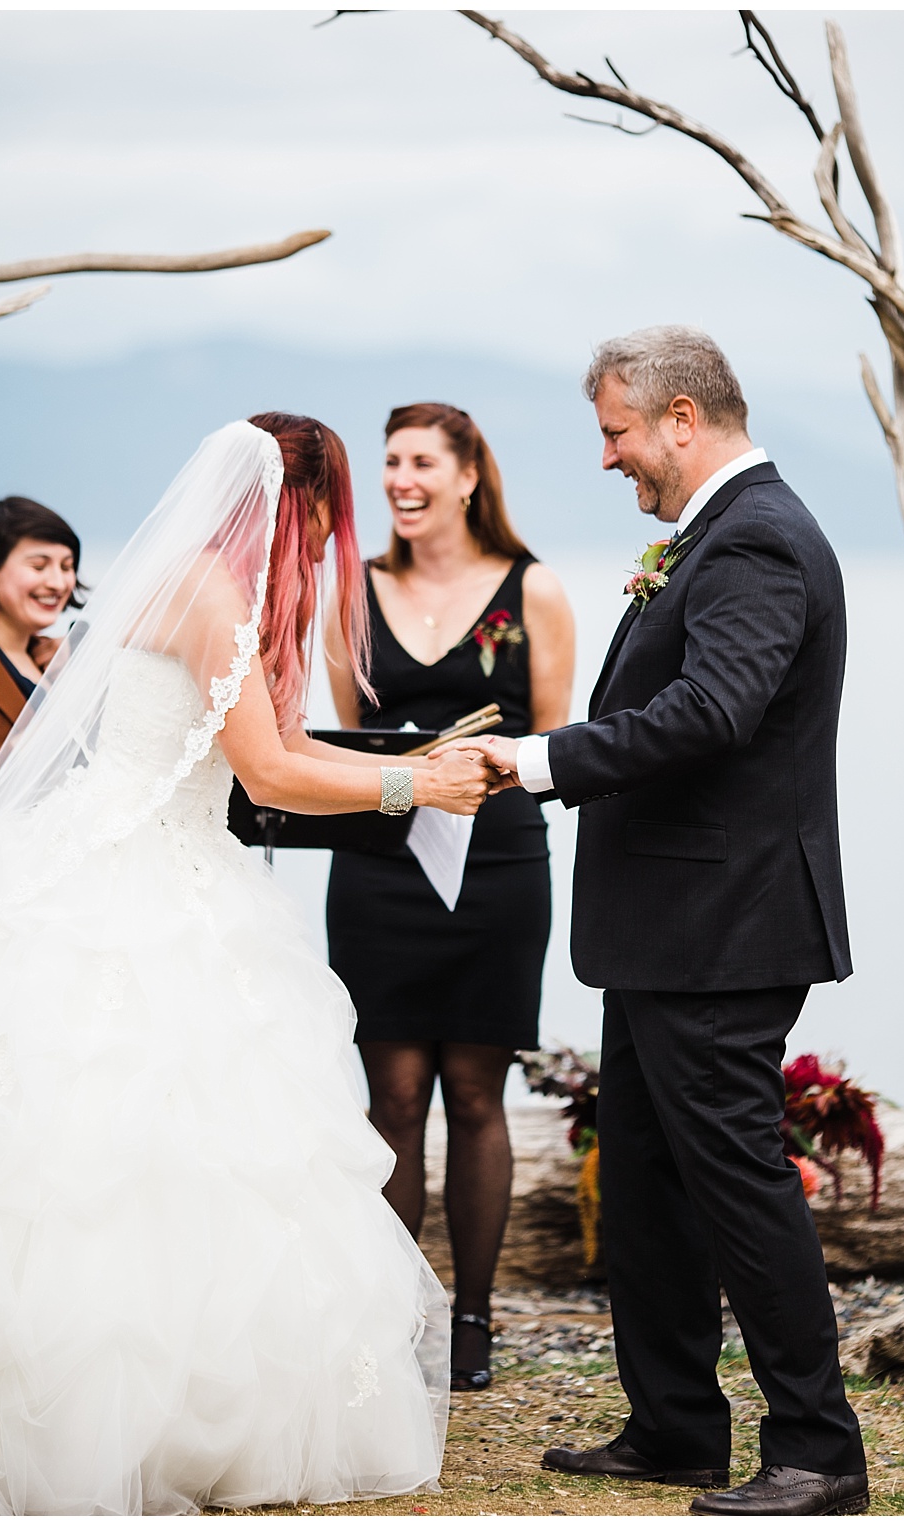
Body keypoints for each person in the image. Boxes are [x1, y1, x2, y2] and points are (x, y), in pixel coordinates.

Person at [0, 414, 497, 1516]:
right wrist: (413, 789)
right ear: (291, 498)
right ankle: (107, 1418)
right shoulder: (213, 593)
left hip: (168, 855)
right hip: (134, 878)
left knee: (172, 1151)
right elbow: (267, 770)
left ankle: (180, 1405)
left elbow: (288, 750)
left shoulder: (209, 582)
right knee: (113, 1149)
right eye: (324, 508)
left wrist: (414, 768)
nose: (329, 533)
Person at [449, 330, 869, 1516]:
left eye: (615, 431)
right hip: (667, 925)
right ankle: (677, 1422)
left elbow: (712, 711)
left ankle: (818, 1450)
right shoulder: (717, 535)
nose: (606, 457)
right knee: (644, 1175)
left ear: (682, 418)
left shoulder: (759, 538)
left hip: (723, 924)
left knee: (736, 1179)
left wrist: (537, 761)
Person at [324, 402, 574, 1392]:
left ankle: (471, 1318)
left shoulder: (534, 588)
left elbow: (550, 736)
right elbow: (346, 730)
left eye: (421, 459)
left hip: (500, 866)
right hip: (380, 865)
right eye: (389, 461)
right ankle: (394, 1315)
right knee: (389, 1102)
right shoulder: (353, 589)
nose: (399, 478)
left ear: (470, 474)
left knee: (476, 1096)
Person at [0, 495, 86, 816]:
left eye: (67, 567)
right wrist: (18, 749)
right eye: (38, 566)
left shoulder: (62, 656)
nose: (57, 582)